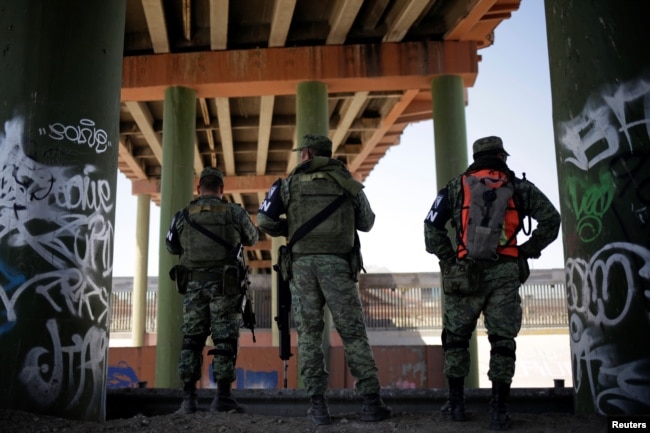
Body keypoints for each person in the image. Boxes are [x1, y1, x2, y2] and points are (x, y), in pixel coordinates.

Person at [423, 136, 561, 430]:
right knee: (502, 342)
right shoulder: (520, 187)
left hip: (465, 274)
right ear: (501, 156)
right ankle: (498, 411)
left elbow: (431, 227)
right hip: (505, 272)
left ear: (475, 157)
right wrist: (525, 250)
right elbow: (552, 220)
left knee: (456, 340)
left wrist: (450, 261)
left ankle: (456, 406)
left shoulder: (455, 187)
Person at [257, 134, 392, 425]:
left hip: (303, 267)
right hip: (337, 265)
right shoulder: (346, 181)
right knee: (353, 333)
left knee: (309, 334)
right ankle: (371, 402)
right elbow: (367, 222)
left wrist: (291, 225)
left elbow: (264, 221)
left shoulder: (287, 184)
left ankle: (318, 406)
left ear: (306, 153)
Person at [165, 166, 258, 414]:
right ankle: (223, 398)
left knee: (192, 339)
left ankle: (188, 399)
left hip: (193, 287)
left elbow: (171, 247)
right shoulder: (234, 212)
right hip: (224, 287)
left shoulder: (183, 215)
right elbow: (253, 238)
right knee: (225, 339)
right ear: (222, 189)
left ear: (199, 188)